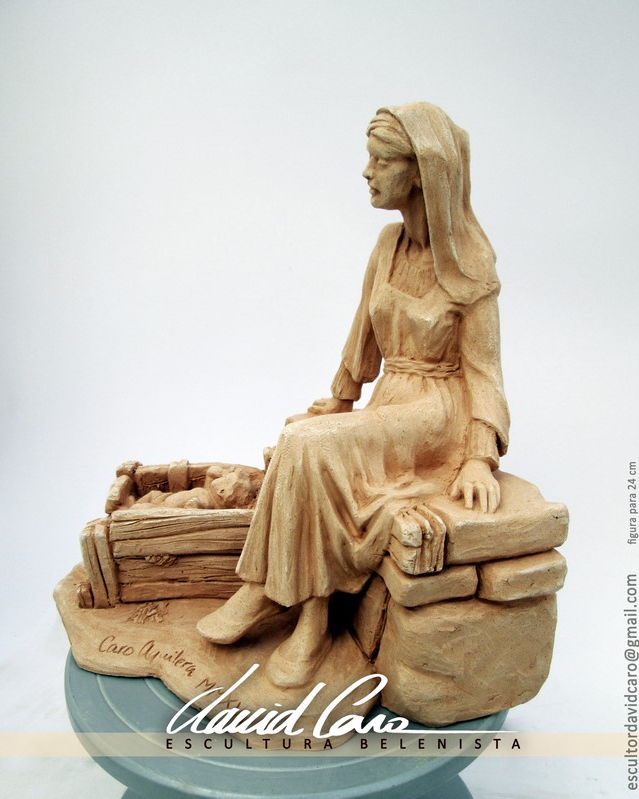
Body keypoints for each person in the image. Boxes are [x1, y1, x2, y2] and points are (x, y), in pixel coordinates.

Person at [197, 102, 510, 688]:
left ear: (422, 171)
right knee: (301, 436)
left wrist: (478, 456)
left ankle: (305, 620)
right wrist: (342, 397)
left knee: (312, 447)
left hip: (438, 412)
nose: (367, 172)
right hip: (391, 399)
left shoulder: (471, 262)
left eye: (380, 161)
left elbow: (486, 371)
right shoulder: (388, 244)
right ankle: (273, 592)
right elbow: (361, 331)